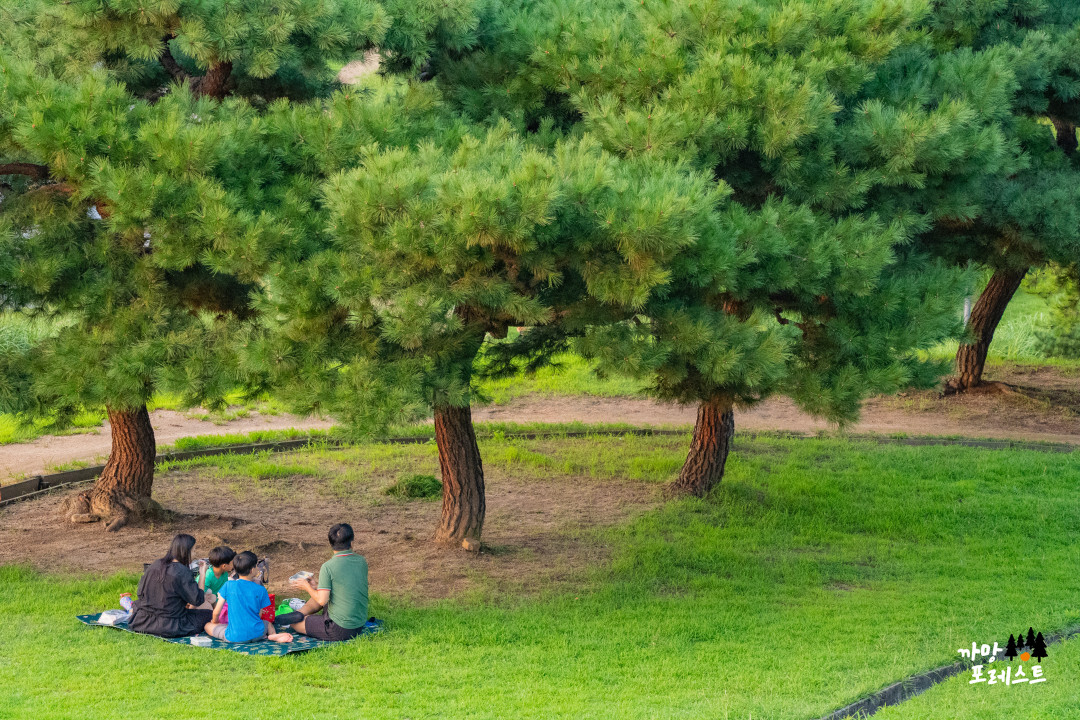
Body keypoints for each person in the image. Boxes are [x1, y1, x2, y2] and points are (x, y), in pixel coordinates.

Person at [287, 523, 369, 641]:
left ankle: (300, 617)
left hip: (340, 629)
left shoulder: (328, 566)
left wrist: (307, 587)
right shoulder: (362, 561)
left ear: (330, 543)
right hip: (359, 623)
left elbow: (322, 600)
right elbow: (345, 586)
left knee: (294, 623)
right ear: (352, 541)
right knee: (319, 592)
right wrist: (316, 586)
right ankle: (300, 612)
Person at [128, 534, 213, 638]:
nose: (194, 554)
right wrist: (202, 574)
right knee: (208, 614)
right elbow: (198, 600)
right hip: (170, 626)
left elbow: (140, 593)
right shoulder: (182, 572)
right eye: (193, 550)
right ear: (186, 551)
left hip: (142, 622)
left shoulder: (155, 564)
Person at [204, 551, 293, 643]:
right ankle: (273, 635)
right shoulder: (261, 589)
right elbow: (259, 615)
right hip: (258, 634)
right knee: (267, 623)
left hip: (234, 636)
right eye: (256, 566)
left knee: (207, 626)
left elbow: (216, 612)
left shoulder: (228, 585)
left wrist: (214, 622)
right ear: (252, 570)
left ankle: (224, 628)